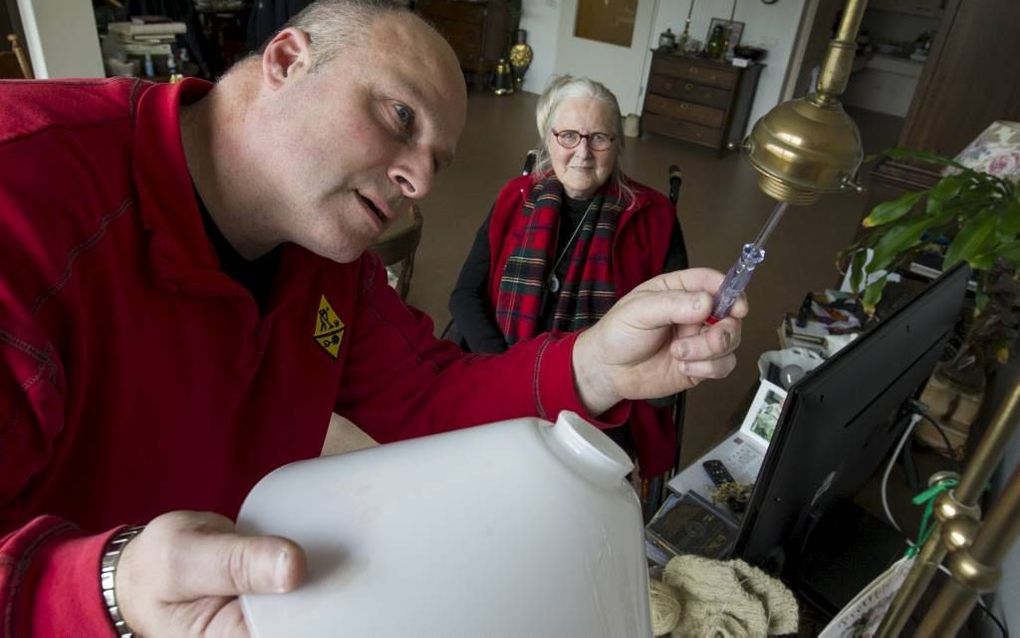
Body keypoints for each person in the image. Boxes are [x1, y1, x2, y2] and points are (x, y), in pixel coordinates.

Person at [0, 1, 745, 636]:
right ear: (289, 59)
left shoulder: (327, 266)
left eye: (437, 161)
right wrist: (106, 592)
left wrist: (596, 363)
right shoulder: (27, 198)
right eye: (399, 117)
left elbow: (424, 394)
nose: (419, 179)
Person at [448, 75, 687, 478]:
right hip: (502, 370)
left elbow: (673, 329)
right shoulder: (515, 198)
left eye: (599, 138)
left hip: (601, 399)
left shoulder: (655, 217)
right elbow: (464, 295)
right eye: (569, 136)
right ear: (549, 140)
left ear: (618, 145)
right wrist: (508, 374)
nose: (582, 153)